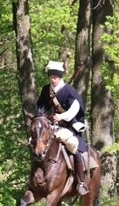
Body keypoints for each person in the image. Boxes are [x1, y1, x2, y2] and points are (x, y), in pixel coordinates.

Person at [36, 61, 89, 195]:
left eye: (55, 77)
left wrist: (62, 117)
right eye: (51, 77)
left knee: (72, 145)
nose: (53, 79)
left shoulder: (69, 91)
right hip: (48, 127)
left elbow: (75, 109)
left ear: (60, 77)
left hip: (66, 126)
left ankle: (81, 181)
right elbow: (41, 109)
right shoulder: (45, 90)